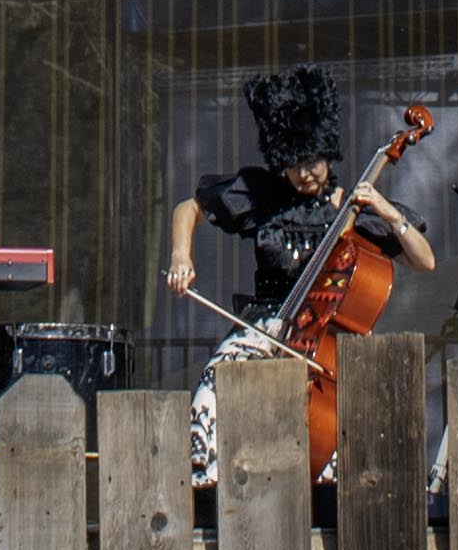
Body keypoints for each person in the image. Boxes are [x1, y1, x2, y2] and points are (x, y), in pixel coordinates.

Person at [166, 67, 434, 478]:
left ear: (328, 153)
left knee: (353, 421)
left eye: (312, 162)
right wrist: (181, 257)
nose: (305, 174)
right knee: (213, 386)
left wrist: (385, 209)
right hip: (264, 324)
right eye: (293, 165)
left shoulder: (352, 207)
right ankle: (206, 486)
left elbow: (423, 260)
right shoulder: (263, 195)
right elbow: (189, 209)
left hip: (326, 338)